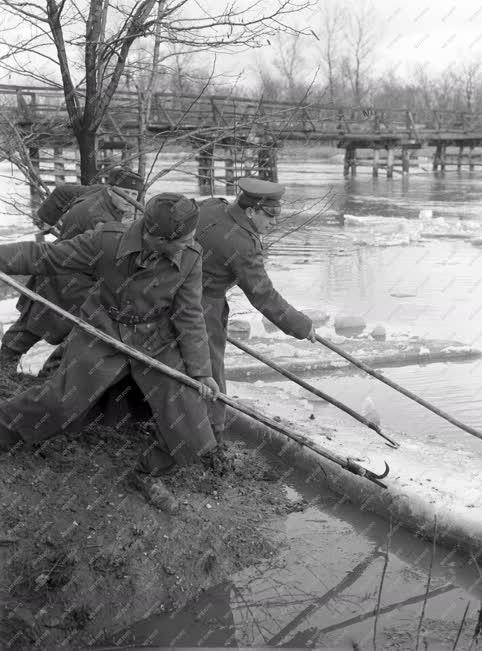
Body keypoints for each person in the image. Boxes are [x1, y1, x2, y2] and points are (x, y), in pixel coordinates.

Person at [0, 193, 220, 513]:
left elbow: (189, 316)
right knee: (61, 403)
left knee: (195, 430)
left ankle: (147, 473)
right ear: (154, 237)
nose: (189, 244)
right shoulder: (106, 242)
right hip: (103, 331)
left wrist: (201, 371)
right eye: (183, 240)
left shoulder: (190, 257)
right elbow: (45, 256)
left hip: (157, 342)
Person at [195, 177, 316, 439]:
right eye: (269, 216)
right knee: (210, 369)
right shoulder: (242, 245)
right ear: (251, 211)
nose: (272, 223)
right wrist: (301, 326)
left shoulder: (213, 207)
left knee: (189, 362)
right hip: (202, 305)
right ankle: (212, 435)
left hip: (168, 289)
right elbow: (263, 296)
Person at [0, 168, 144, 371]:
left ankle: (26, 369)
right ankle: (44, 372)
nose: (129, 200)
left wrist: (45, 218)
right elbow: (107, 256)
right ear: (111, 189)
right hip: (67, 277)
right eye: (125, 193)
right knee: (78, 327)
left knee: (36, 320)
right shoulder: (100, 221)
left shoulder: (97, 190)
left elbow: (63, 191)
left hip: (61, 264)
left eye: (134, 195)